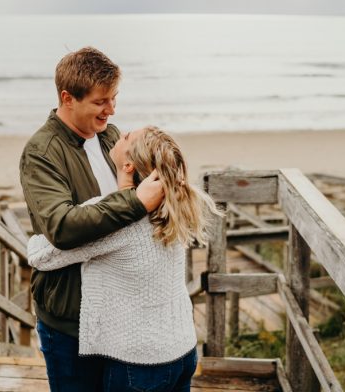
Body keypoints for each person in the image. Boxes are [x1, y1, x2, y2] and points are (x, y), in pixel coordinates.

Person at [27, 126, 217, 392]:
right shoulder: (173, 207)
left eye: (127, 136)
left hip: (141, 365)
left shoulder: (119, 221)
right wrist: (124, 188)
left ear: (128, 165)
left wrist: (35, 238)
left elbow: (41, 256)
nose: (119, 133)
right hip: (183, 350)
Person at [19, 47, 165, 392]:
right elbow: (62, 227)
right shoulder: (41, 152)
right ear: (68, 98)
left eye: (114, 98)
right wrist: (134, 201)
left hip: (121, 313)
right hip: (73, 322)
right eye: (101, 101)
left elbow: (143, 210)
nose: (112, 110)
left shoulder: (111, 137)